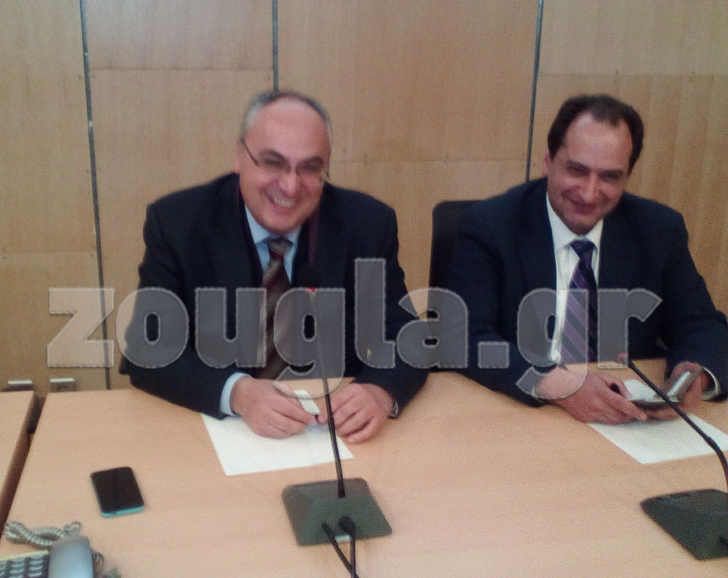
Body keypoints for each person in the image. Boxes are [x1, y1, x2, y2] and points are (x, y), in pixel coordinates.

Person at [119, 90, 426, 443]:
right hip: (218, 436)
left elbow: (407, 337)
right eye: (272, 163)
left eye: (310, 168)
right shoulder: (179, 223)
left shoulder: (367, 225)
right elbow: (147, 351)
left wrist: (379, 391)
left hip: (331, 435)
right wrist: (236, 392)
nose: (290, 186)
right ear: (239, 156)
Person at [447, 94, 727, 424]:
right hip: (524, 410)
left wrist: (694, 375)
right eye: (577, 170)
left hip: (627, 415)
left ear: (627, 175)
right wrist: (558, 385)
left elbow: (702, 325)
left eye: (609, 177)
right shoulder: (490, 225)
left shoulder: (659, 230)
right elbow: (464, 337)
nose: (590, 192)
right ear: (548, 162)